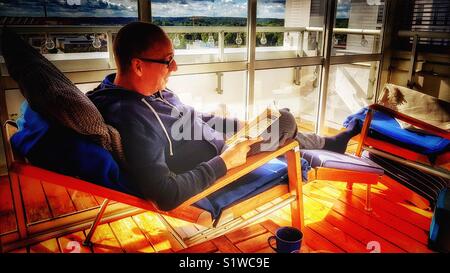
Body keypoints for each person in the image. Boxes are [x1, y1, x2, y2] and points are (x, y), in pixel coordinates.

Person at [87, 22, 361, 211]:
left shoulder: (151, 91)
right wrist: (224, 162)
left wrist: (240, 125)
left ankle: (326, 144)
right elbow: (166, 194)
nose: (175, 67)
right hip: (229, 165)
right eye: (168, 60)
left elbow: (195, 119)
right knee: (286, 120)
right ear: (137, 66)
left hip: (229, 145)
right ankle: (323, 144)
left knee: (274, 120)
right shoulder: (132, 117)